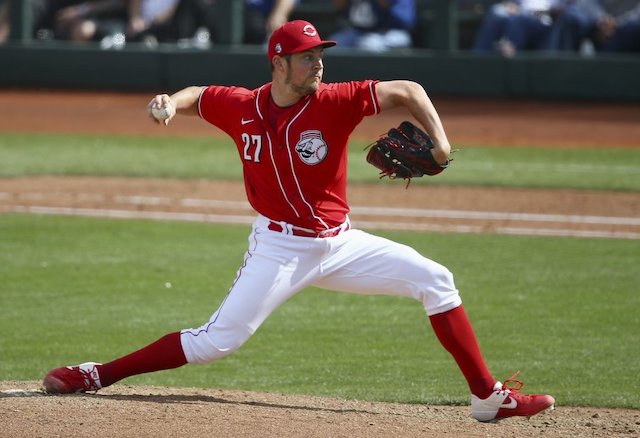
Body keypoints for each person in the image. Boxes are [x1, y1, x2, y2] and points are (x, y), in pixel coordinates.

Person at [42, 19, 555, 423]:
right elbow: (199, 95)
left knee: (436, 280)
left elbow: (408, 89)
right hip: (279, 250)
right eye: (308, 57)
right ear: (279, 63)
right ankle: (96, 374)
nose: (318, 65)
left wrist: (440, 142)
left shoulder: (335, 102)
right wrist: (169, 104)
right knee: (214, 343)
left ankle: (489, 397)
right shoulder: (242, 106)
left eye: (320, 55)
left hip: (341, 244)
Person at [472, 0, 571, 56]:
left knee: (517, 21)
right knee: (496, 13)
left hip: (545, 19)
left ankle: (509, 51)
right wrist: (512, 6)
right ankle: (478, 57)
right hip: (521, 14)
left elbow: (563, 8)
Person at [549, 0, 640, 54]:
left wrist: (615, 24)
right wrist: (601, 20)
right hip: (596, 25)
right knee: (569, 19)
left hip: (628, 27)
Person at [328, 0, 416, 52]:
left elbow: (405, 22)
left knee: (368, 46)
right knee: (332, 46)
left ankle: (369, 82)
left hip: (393, 33)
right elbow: (340, 8)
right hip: (358, 32)